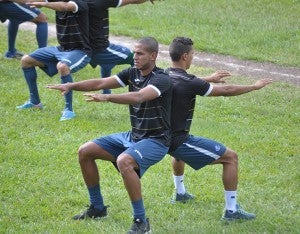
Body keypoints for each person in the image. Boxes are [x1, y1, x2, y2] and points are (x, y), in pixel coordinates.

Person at [47, 37, 173, 233]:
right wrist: (71, 85)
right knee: (85, 151)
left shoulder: (161, 78)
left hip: (156, 140)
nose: (135, 57)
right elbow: (102, 82)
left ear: (153, 56)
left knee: (124, 161)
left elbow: (139, 96)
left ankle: (141, 222)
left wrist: (107, 97)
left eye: (140, 54)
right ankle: (97, 208)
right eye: (135, 52)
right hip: (134, 136)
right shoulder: (132, 72)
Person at [166, 37, 273, 221]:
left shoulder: (166, 74)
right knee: (230, 157)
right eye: (192, 54)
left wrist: (209, 79)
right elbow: (227, 90)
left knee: (178, 155)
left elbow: (188, 82)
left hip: (163, 137)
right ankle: (232, 211)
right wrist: (253, 87)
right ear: (185, 56)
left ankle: (180, 193)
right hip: (176, 141)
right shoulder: (190, 82)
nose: (193, 57)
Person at [16, 0, 91, 121]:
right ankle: (35, 102)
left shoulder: (79, 3)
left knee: (63, 66)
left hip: (80, 51)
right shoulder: (55, 2)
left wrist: (44, 5)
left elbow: (65, 6)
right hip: (61, 49)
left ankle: (69, 110)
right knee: (26, 60)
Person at [88, 0, 159, 94]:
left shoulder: (77, 3)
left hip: (79, 45)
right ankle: (140, 89)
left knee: (108, 59)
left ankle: (106, 91)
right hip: (98, 48)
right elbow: (131, 0)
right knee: (131, 56)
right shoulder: (100, 2)